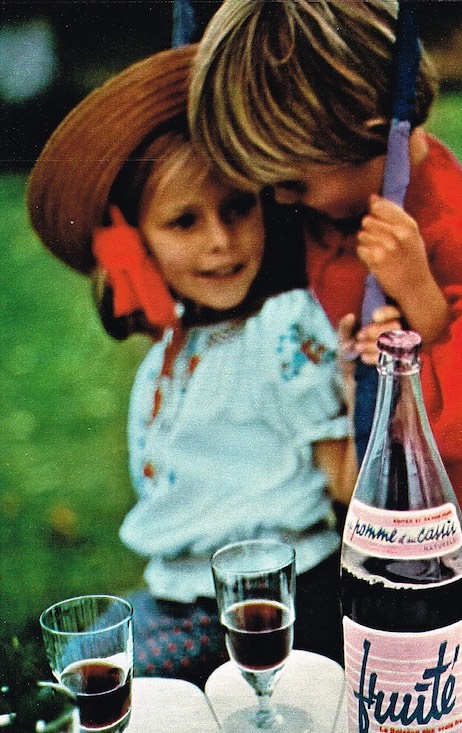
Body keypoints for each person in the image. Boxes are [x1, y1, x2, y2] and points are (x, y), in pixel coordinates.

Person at [188, 0, 462, 678]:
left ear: (369, 136)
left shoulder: (452, 234)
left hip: (457, 543)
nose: (284, 202)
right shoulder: (341, 203)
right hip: (362, 530)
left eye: (293, 183)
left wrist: (420, 296)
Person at [26, 45, 359, 687]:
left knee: (103, 690)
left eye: (238, 208)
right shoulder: (172, 355)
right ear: (133, 241)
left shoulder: (282, 328)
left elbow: (343, 484)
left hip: (270, 608)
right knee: (67, 670)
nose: (220, 240)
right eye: (185, 221)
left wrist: (359, 397)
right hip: (183, 596)